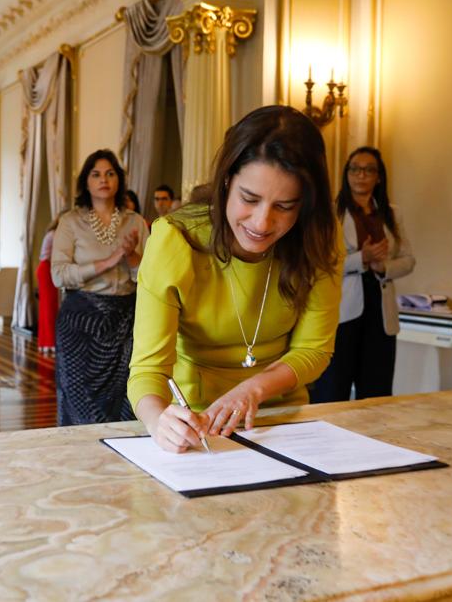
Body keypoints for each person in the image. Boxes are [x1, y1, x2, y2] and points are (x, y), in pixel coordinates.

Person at [128, 105, 342, 453]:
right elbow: (147, 370)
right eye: (249, 199)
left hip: (284, 419)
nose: (261, 223)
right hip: (196, 422)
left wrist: (254, 389)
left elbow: (314, 350)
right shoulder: (175, 239)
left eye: (284, 206)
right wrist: (157, 421)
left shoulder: (319, 240)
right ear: (226, 181)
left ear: (305, 204)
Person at [51, 149, 149, 425]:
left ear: (119, 180)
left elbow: (149, 277)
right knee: (78, 399)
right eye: (96, 174)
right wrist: (107, 262)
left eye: (110, 173)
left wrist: (131, 256)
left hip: (125, 320)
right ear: (86, 181)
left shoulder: (135, 221)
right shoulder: (71, 222)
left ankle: (121, 448)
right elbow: (58, 275)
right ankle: (80, 449)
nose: (103, 180)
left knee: (124, 396)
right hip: (81, 320)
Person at [310, 146, 414, 402]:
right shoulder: (332, 213)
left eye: (369, 170)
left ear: (378, 177)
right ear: (346, 174)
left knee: (377, 393)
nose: (361, 175)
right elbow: (320, 263)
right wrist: (362, 258)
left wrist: (383, 267)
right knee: (333, 390)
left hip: (380, 312)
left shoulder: (391, 213)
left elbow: (408, 261)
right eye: (355, 169)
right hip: (343, 312)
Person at [36, 215, 61, 355]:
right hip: (47, 269)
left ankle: (45, 342)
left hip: (46, 268)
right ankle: (49, 342)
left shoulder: (52, 233)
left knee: (47, 306)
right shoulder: (55, 235)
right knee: (49, 306)